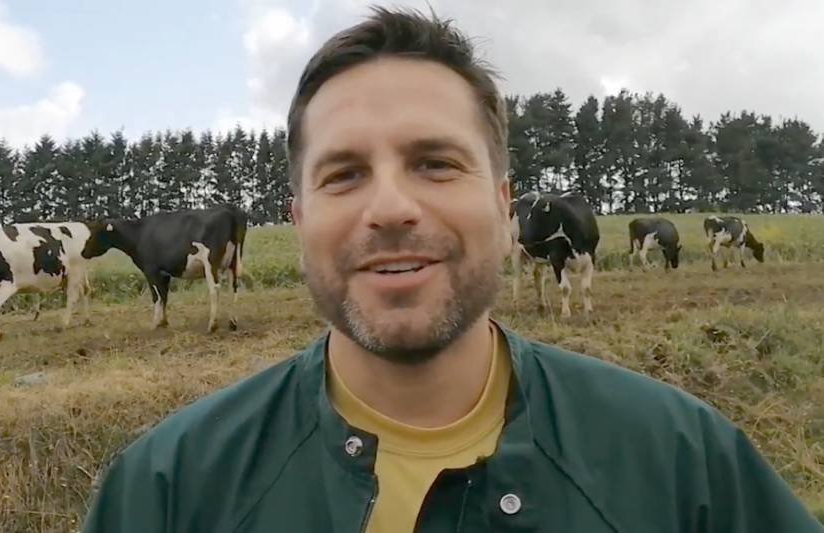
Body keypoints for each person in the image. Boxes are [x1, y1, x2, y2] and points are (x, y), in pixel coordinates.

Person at [81, 6, 823, 532]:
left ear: (506, 209)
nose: (392, 207)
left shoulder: (683, 463)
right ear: (300, 222)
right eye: (342, 175)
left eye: (436, 163)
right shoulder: (165, 492)